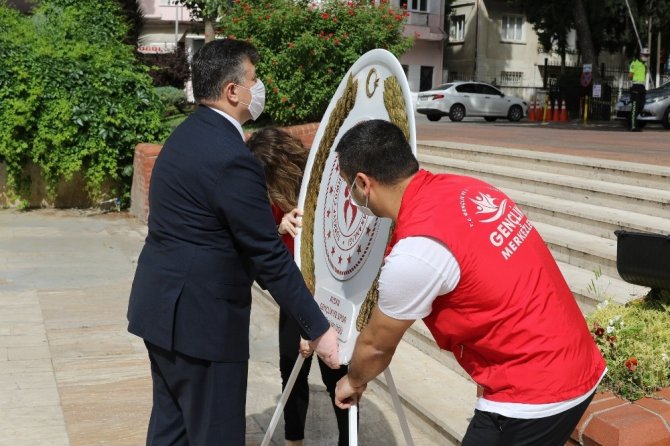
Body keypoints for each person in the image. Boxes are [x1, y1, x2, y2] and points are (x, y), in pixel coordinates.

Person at [333, 120, 607, 446]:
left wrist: (353, 380)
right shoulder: (467, 188)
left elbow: (376, 346)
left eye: (350, 187)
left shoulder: (416, 252)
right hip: (571, 360)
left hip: (534, 390)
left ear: (364, 183)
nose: (352, 196)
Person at [126, 39, 339, 446]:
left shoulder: (184, 137)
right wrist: (319, 328)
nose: (258, 89)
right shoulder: (232, 156)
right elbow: (268, 256)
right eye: (254, 79)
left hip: (161, 311)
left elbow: (204, 226)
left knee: (171, 432)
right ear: (232, 91)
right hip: (203, 324)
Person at [247, 128, 351, 446]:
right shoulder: (269, 198)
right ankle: (294, 441)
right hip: (294, 293)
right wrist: (278, 229)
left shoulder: (323, 186)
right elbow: (265, 259)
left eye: (269, 182)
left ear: (284, 167)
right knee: (291, 370)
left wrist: (314, 326)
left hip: (334, 295)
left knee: (338, 374)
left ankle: (350, 440)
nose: (268, 191)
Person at [629, 47, 649, 131]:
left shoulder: (645, 64)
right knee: (635, 106)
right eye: (645, 55)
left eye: (647, 55)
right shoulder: (634, 63)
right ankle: (633, 126)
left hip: (642, 87)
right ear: (641, 54)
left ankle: (632, 122)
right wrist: (634, 79)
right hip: (636, 86)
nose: (646, 56)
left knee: (641, 105)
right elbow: (630, 75)